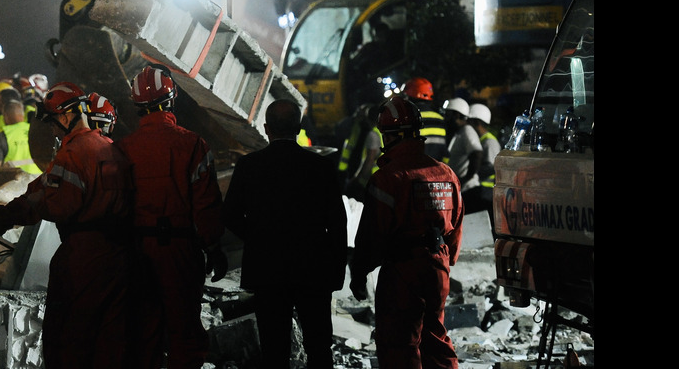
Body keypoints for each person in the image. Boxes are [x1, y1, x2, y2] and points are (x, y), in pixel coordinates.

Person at [0, 81, 135, 369]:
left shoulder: (73, 153)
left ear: (63, 116)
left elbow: (50, 202)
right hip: (118, 259)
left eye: (52, 124)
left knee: (66, 339)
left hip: (81, 260)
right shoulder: (110, 149)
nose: (52, 131)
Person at [115, 64, 226, 369]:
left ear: (137, 104)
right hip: (179, 249)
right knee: (184, 332)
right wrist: (214, 247)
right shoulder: (192, 144)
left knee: (144, 331)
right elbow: (205, 204)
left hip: (135, 250)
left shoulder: (122, 149)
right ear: (172, 97)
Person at [222, 99, 347, 369]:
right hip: (313, 270)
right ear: (298, 128)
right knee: (318, 347)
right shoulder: (320, 167)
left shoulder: (249, 166)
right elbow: (338, 223)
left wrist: (256, 237)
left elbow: (230, 214)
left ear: (266, 129)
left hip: (268, 271)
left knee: (274, 349)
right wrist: (337, 272)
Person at [349, 95, 464, 369]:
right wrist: (446, 261)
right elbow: (456, 227)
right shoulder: (446, 174)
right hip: (438, 268)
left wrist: (359, 271)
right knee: (435, 338)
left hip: (402, 271)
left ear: (390, 136)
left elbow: (372, 234)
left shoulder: (388, 178)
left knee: (399, 345)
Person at [465, 103, 501, 224]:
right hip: (479, 191)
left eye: (470, 122)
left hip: (486, 193)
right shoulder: (479, 140)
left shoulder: (489, 142)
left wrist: (472, 172)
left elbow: (492, 167)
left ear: (477, 122)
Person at [0, 98, 43, 174]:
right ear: (23, 114)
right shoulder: (37, 131)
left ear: (5, 116)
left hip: (13, 183)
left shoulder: (2, 136)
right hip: (38, 180)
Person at [402, 77, 449, 162]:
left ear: (410, 96)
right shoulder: (440, 119)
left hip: (414, 170)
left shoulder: (409, 117)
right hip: (436, 170)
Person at [444, 97, 483, 193]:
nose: (445, 118)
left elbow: (477, 153)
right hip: (460, 188)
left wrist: (466, 178)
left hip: (468, 189)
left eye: (448, 114)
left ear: (456, 115)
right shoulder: (458, 132)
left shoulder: (467, 130)